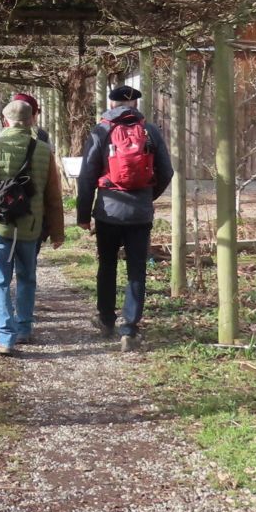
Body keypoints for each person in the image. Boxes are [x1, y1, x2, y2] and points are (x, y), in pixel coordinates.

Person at [76, 83, 173, 349]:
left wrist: (84, 214)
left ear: (111, 104)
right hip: (139, 214)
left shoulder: (102, 130)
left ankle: (106, 319)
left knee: (107, 265)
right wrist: (146, 197)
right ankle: (129, 329)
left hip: (108, 211)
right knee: (136, 270)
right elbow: (167, 172)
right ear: (136, 105)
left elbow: (86, 176)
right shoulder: (150, 131)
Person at [0, 99, 64, 355]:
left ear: (5, 120)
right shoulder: (44, 150)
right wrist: (57, 232)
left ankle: (5, 336)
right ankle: (23, 329)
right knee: (27, 278)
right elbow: (54, 196)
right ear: (32, 120)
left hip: (1, 224)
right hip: (31, 226)